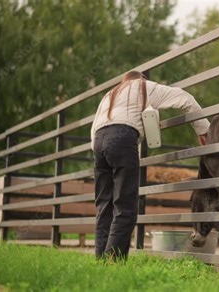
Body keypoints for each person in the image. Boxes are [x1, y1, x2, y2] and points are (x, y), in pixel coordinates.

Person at [90, 71, 210, 260]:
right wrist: (204, 130)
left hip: (98, 143)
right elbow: (185, 99)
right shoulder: (144, 86)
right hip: (123, 137)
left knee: (104, 205)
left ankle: (101, 259)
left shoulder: (109, 94)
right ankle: (113, 261)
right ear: (142, 78)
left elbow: (94, 127)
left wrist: (100, 152)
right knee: (125, 205)